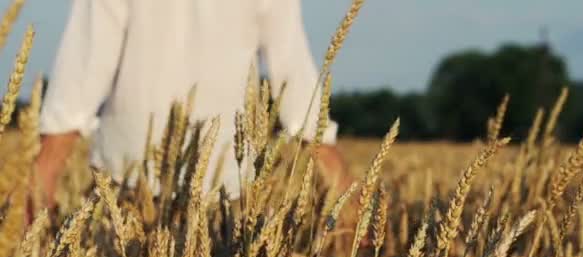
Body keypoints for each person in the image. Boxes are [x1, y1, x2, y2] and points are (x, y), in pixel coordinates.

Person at [35, 0, 353, 207]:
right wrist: (339, 177)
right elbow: (291, 70)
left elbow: (87, 61)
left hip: (128, 170)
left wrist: (45, 170)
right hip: (226, 175)